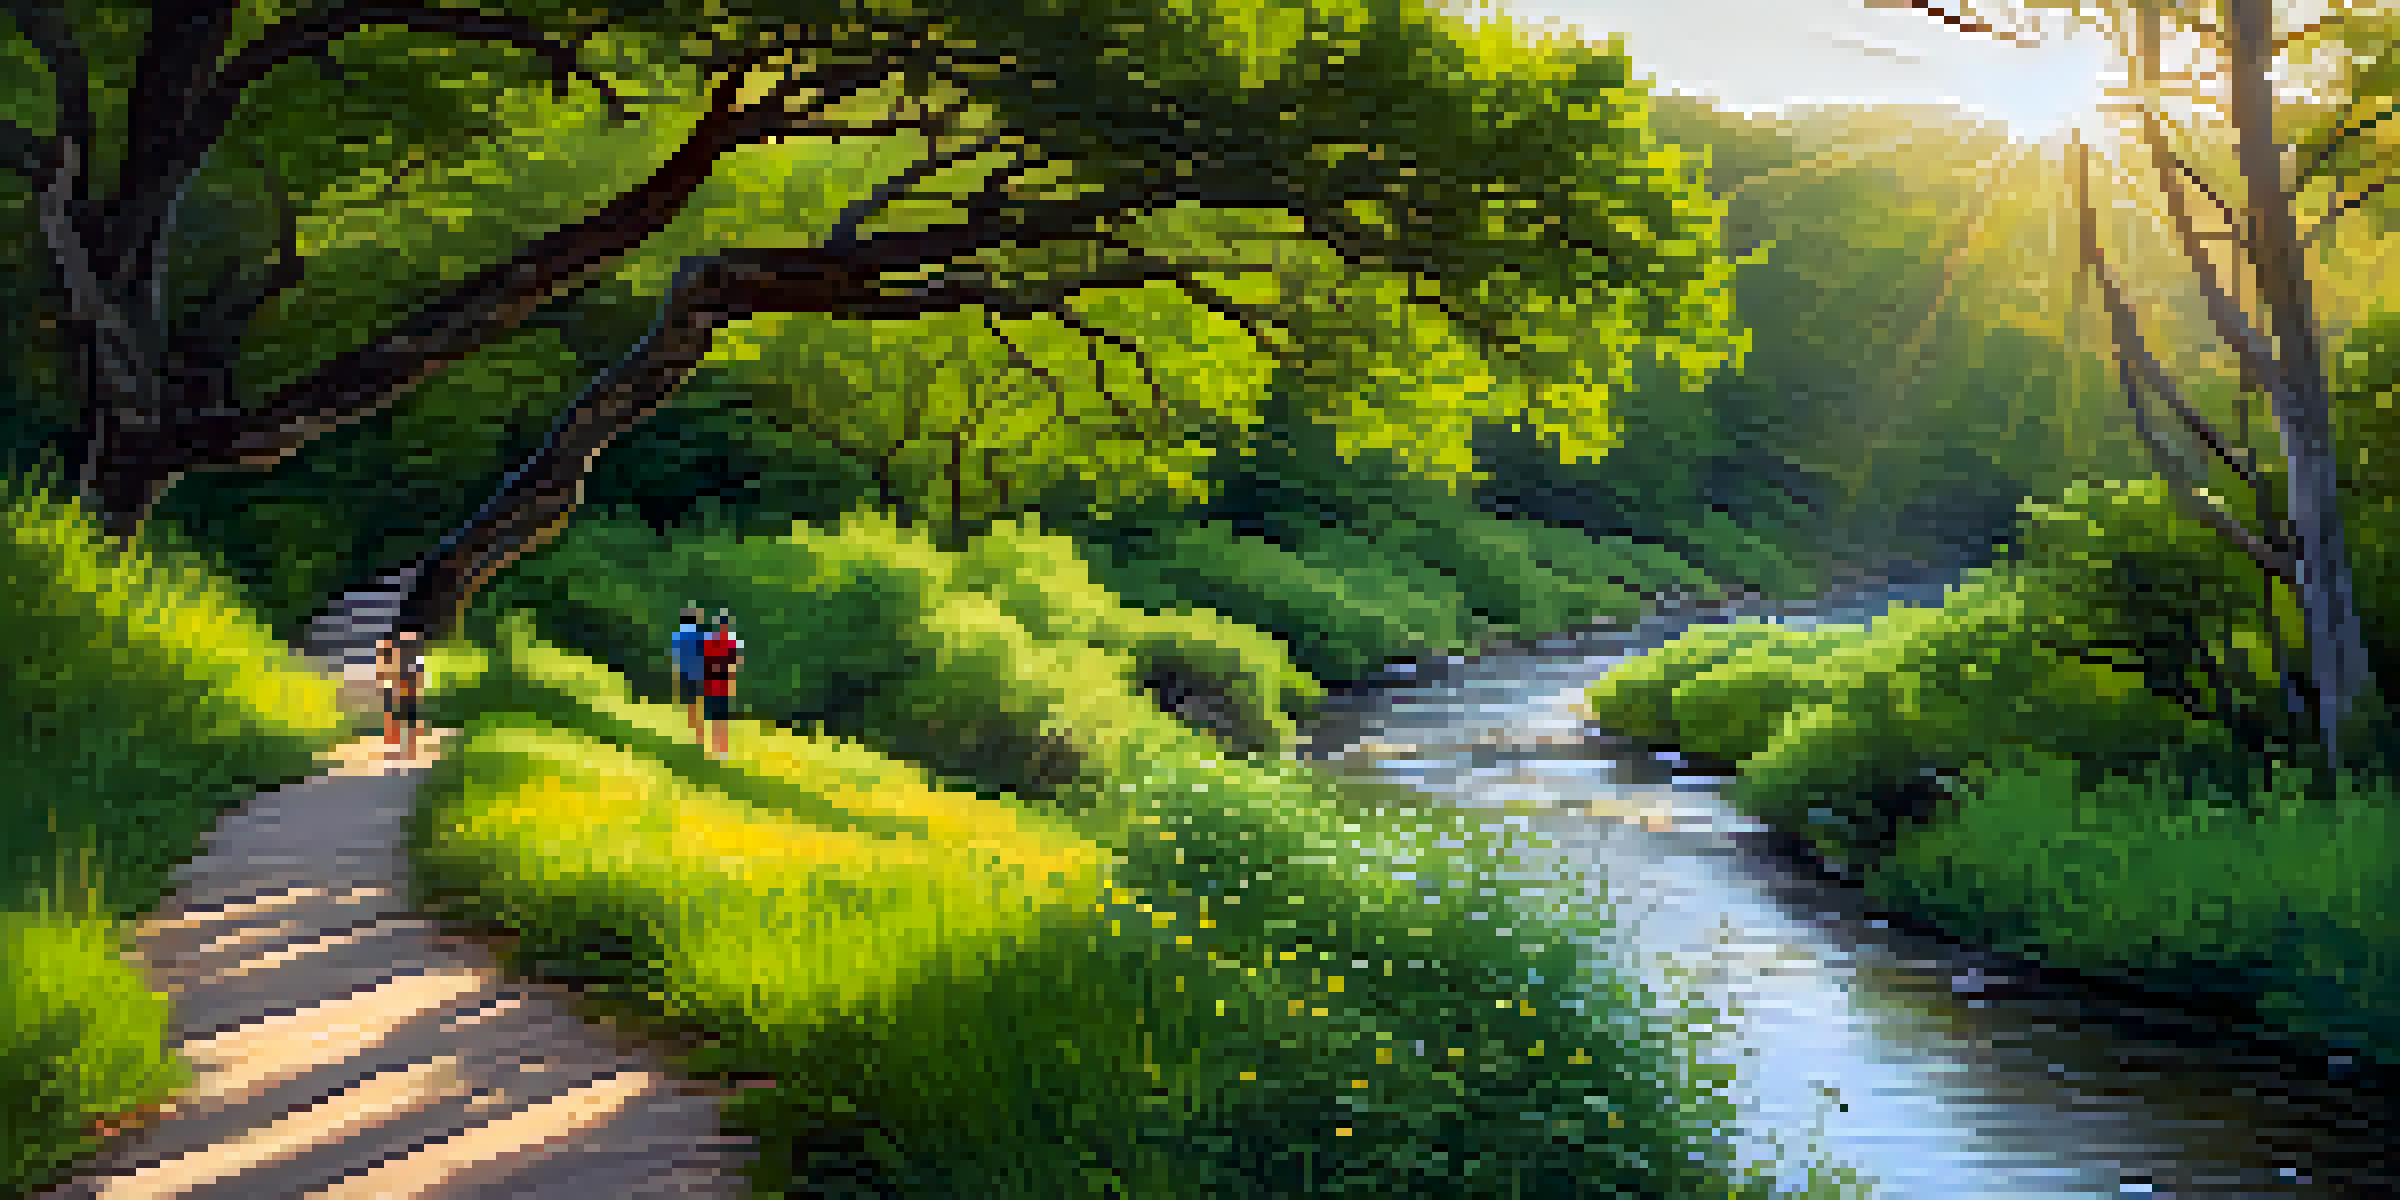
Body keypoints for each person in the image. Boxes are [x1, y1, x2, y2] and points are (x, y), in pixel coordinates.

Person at [376, 623, 428, 761]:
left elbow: (419, 669)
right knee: (393, 717)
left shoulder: (413, 650)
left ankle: (409, 749)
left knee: (407, 717)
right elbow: (383, 667)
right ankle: (394, 748)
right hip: (394, 684)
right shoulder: (391, 648)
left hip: (407, 685)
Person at [700, 609, 743, 760]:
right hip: (718, 683)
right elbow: (736, 663)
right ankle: (719, 749)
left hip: (715, 683)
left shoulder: (712, 641)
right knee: (719, 717)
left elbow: (706, 663)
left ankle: (716, 748)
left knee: (716, 717)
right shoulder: (731, 642)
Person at [670, 604, 709, 748]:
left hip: (684, 673)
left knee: (689, 705)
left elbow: (676, 657)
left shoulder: (678, 635)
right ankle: (699, 736)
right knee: (699, 704)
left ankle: (692, 733)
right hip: (699, 673)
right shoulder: (701, 635)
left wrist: (676, 675)